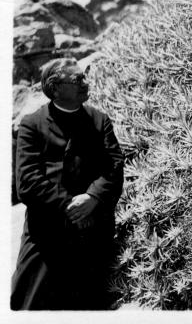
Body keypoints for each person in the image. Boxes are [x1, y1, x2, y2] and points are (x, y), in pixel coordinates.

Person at [11, 58, 124, 310]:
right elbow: (28, 182)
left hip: (93, 229)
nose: (86, 82)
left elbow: (114, 167)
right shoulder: (32, 124)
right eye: (77, 79)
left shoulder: (99, 120)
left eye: (85, 76)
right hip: (47, 232)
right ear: (55, 88)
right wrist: (71, 206)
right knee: (31, 304)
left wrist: (92, 198)